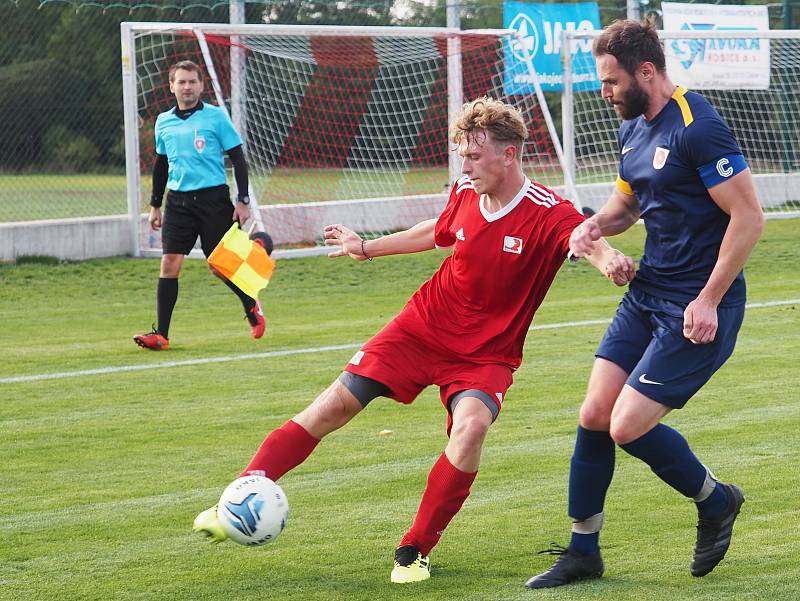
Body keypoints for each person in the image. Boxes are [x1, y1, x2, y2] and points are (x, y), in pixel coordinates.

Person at [192, 97, 633, 583]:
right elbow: (438, 231)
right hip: (422, 326)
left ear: (509, 155)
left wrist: (608, 258)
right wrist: (366, 248)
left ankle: (415, 549)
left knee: (470, 430)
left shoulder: (547, 210)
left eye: (474, 155)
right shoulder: (466, 190)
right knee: (330, 406)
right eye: (461, 154)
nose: (464, 165)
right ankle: (234, 499)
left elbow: (583, 236)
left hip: (487, 353)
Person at [525, 20, 765, 589]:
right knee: (592, 415)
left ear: (646, 72)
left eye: (610, 81)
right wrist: (594, 227)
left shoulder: (697, 127)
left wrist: (708, 299)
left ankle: (716, 500)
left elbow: (748, 217)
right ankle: (583, 551)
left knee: (626, 426)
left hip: (699, 304)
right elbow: (629, 203)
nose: (603, 92)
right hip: (648, 293)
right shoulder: (632, 129)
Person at [133, 60, 265, 350]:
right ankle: (161, 335)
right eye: (181, 82)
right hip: (178, 202)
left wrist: (243, 200)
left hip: (213, 199)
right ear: (171, 86)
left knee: (219, 266)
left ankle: (250, 304)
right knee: (169, 263)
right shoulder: (163, 121)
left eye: (192, 81)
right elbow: (161, 164)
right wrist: (155, 205)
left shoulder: (216, 117)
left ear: (201, 85)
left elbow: (239, 158)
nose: (187, 87)